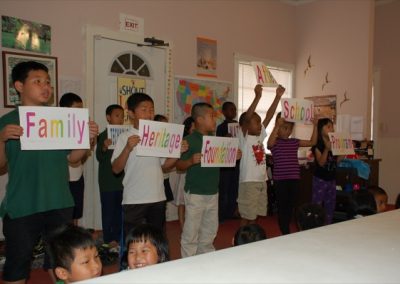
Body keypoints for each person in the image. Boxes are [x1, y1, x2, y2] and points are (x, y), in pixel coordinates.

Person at [0, 61, 98, 283]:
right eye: (37, 82)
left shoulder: (59, 119)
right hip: (22, 205)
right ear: (19, 85)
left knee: (62, 262)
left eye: (48, 82)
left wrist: (86, 139)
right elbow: (0, 166)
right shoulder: (6, 122)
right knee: (17, 264)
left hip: (59, 202)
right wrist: (1, 138)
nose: (46, 87)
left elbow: (73, 159)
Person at [111, 93, 187, 237]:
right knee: (133, 241)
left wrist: (178, 152)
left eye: (151, 110)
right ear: (131, 113)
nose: (149, 114)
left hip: (157, 197)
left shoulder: (158, 135)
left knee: (156, 240)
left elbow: (165, 166)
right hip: (134, 199)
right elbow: (116, 169)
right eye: (144, 109)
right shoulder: (124, 137)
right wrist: (127, 148)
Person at [176, 102, 240, 257]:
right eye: (211, 116)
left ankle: (206, 258)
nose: (215, 120)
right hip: (196, 193)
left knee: (210, 229)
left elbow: (223, 163)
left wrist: (235, 156)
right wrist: (190, 161)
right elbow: (179, 166)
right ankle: (188, 263)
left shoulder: (215, 140)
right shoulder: (190, 140)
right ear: (199, 120)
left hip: (213, 192)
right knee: (191, 231)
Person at [237, 84, 285, 227]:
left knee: (256, 214)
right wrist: (257, 97)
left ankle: (252, 237)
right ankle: (241, 239)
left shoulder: (259, 136)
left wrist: (278, 97)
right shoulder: (244, 138)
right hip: (248, 182)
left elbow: (269, 116)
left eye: (259, 123)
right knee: (247, 214)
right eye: (256, 122)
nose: (260, 125)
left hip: (261, 181)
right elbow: (247, 118)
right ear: (246, 125)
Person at [267, 115, 317, 235]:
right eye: (284, 127)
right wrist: (277, 125)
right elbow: (269, 144)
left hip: (294, 179)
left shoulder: (294, 141)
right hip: (280, 180)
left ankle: (286, 227)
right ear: (278, 127)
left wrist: (315, 125)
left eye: (289, 128)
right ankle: (285, 230)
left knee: (291, 206)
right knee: (282, 206)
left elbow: (312, 142)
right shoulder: (275, 142)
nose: (287, 131)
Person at [59, 92, 93, 226]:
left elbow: (83, 155)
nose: (81, 113)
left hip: (77, 176)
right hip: (61, 178)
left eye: (82, 109)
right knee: (62, 214)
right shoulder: (57, 127)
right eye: (77, 109)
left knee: (76, 211)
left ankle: (73, 241)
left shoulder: (82, 127)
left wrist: (90, 137)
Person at [96, 104, 125, 251]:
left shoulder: (125, 135)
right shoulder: (102, 135)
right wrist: (104, 147)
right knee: (108, 211)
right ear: (108, 117)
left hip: (122, 181)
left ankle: (119, 238)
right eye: (117, 115)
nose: (120, 119)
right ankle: (108, 239)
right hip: (107, 182)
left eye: (122, 116)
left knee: (120, 211)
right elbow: (99, 157)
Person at [311, 118, 344, 224]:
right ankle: (315, 225)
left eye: (332, 126)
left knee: (330, 205)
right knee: (317, 204)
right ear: (321, 129)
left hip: (332, 179)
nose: (332, 128)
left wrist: (344, 151)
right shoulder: (318, 145)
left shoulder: (335, 143)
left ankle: (328, 224)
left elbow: (337, 161)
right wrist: (326, 149)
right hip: (320, 179)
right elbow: (321, 163)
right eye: (328, 126)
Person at [216, 101, 240, 222]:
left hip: (236, 163)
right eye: (230, 109)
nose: (233, 112)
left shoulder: (239, 125)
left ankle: (231, 212)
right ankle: (221, 215)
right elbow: (218, 145)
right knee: (223, 190)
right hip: (225, 164)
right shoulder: (221, 127)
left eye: (234, 109)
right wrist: (225, 138)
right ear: (224, 112)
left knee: (234, 189)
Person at [173, 116, 195, 229]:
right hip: (183, 174)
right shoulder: (183, 140)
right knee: (182, 202)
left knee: (192, 202)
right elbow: (178, 160)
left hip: (195, 174)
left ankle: (191, 226)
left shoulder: (200, 139)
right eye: (193, 127)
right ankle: (182, 225)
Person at [153, 114, 174, 204]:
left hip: (165, 178)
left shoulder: (167, 139)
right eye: (163, 124)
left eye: (167, 124)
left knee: (162, 205)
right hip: (154, 178)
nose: (166, 127)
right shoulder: (152, 140)